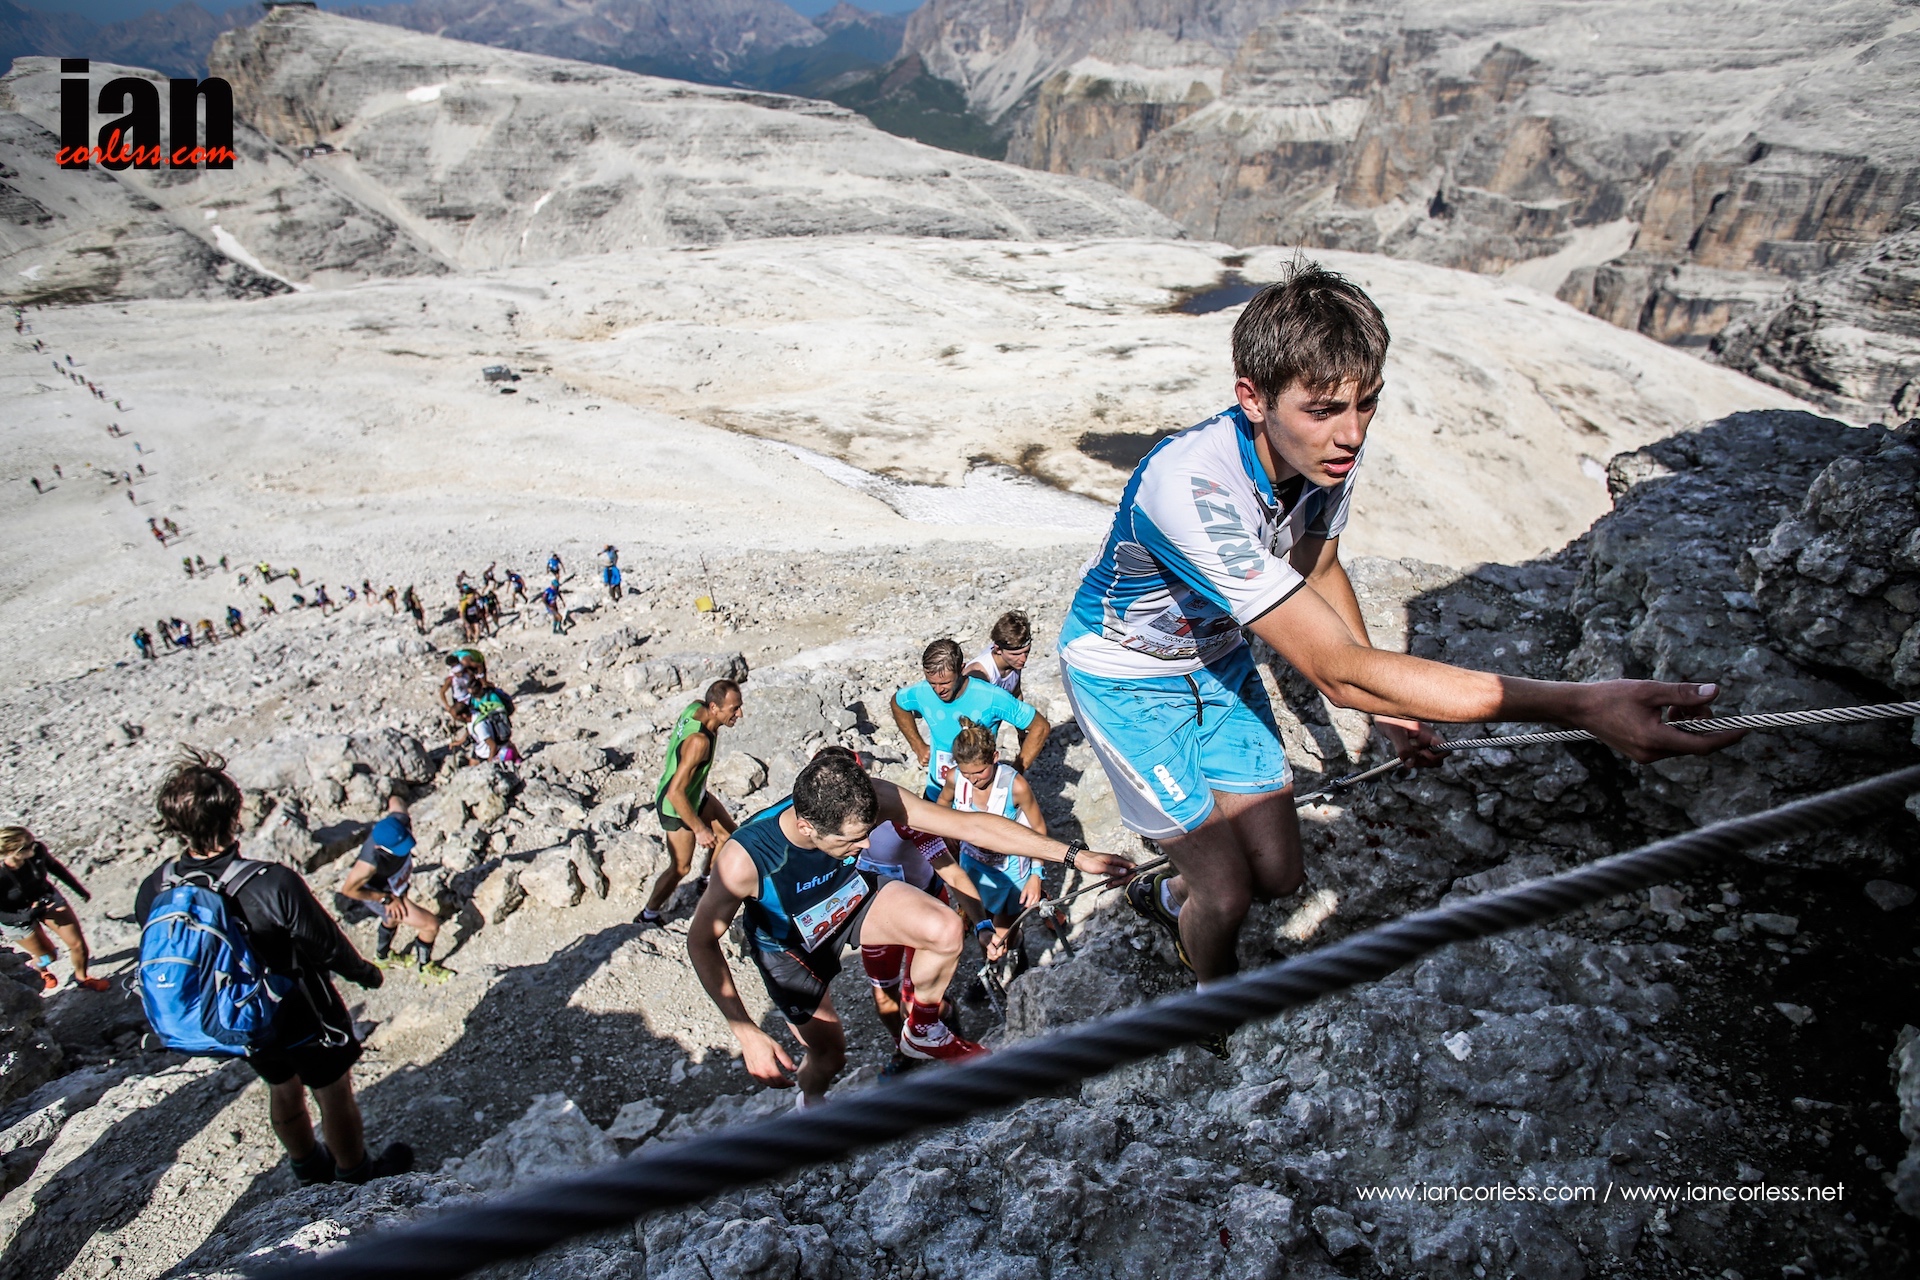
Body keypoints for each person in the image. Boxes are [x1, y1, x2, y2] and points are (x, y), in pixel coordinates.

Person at [1057, 259, 1741, 1011]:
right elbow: (1338, 672)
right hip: (1125, 677)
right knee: (1228, 894)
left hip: (1214, 658)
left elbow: (1320, 564)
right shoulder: (1190, 487)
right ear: (1252, 398)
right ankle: (1210, 997)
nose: (1352, 433)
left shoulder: (1318, 451)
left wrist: (1384, 704)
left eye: (1368, 402)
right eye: (1324, 409)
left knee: (1279, 875)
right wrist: (1581, 704)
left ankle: (1172, 894)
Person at [687, 748, 1132, 1104]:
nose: (867, 846)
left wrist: (1073, 856)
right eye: (852, 840)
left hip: (852, 902)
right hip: (792, 948)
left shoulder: (871, 797)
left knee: (945, 928)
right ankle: (811, 1104)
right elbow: (701, 941)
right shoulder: (746, 859)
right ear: (807, 827)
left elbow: (970, 826)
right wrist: (744, 1030)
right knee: (829, 1054)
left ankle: (922, 1028)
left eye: (867, 832)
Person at [134, 750, 412, 1186]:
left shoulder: (156, 887)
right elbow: (326, 945)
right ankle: (357, 1177)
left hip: (238, 1016)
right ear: (234, 815)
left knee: (282, 1084)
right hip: (302, 1010)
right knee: (332, 1089)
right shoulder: (269, 881)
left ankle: (309, 1169)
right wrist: (365, 973)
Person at [935, 719, 1047, 961]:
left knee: (1003, 936)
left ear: (995, 757)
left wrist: (1036, 875)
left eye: (979, 772)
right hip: (973, 866)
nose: (973, 780)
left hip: (1010, 871)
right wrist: (946, 832)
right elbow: (942, 803)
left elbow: (1038, 828)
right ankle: (992, 968)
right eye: (967, 773)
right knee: (982, 926)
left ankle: (1016, 950)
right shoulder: (956, 778)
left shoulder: (1015, 786)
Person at [640, 680, 745, 928]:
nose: (740, 714)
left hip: (696, 793)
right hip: (677, 806)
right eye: (734, 709)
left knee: (729, 835)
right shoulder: (699, 742)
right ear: (714, 708)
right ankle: (648, 914)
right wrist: (699, 829)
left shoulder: (697, 709)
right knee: (680, 867)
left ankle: (706, 880)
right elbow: (675, 793)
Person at [891, 639, 1049, 800]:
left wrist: (1015, 772)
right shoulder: (922, 692)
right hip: (937, 793)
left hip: (980, 800)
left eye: (945, 682)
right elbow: (897, 703)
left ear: (962, 669)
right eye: (932, 683)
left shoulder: (991, 697)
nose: (938, 690)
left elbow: (1040, 727)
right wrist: (917, 745)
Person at [337, 798, 450, 981]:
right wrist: (385, 899)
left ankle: (382, 957)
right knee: (430, 925)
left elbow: (396, 800)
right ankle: (425, 968)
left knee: (391, 919)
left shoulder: (399, 820)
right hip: (382, 892)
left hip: (397, 885)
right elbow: (349, 890)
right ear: (381, 848)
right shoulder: (369, 863)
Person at [0, 828, 109, 992]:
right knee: (47, 956)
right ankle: (39, 968)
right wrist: (29, 914)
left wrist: (78, 889)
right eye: (28, 846)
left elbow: (55, 867)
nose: (35, 847)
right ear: (11, 852)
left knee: (77, 944)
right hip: (17, 917)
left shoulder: (37, 851)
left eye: (33, 842)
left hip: (45, 899)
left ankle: (82, 978)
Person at [964, 611, 1032, 697]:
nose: (1023, 659)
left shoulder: (1014, 661)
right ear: (998, 649)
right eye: (1015, 654)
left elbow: (1017, 693)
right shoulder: (980, 673)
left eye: (1026, 651)